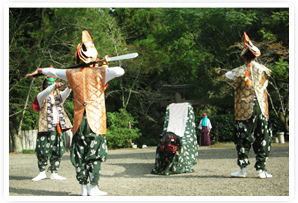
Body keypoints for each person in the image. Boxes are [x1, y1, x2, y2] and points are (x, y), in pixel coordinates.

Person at [27, 30, 125, 196]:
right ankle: (93, 187)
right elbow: (120, 71)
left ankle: (83, 188)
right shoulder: (101, 72)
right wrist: (104, 64)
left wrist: (40, 70)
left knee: (79, 152)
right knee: (94, 153)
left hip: (79, 122)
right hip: (95, 121)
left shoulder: (70, 73)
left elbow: (54, 71)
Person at [222, 32, 273, 179]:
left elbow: (228, 75)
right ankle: (261, 170)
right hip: (262, 108)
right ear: (256, 56)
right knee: (262, 136)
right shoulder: (265, 70)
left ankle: (243, 169)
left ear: (244, 57)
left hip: (244, 109)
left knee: (242, 137)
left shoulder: (238, 71)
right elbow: (265, 85)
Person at [32, 76, 73, 182]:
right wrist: (54, 86)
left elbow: (65, 94)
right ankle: (42, 172)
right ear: (45, 85)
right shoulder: (41, 96)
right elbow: (46, 92)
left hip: (57, 126)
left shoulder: (58, 96)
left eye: (53, 82)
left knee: (58, 149)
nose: (51, 84)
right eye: (49, 83)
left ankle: (54, 172)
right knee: (42, 150)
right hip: (45, 127)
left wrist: (69, 87)